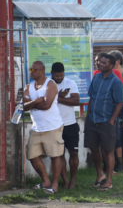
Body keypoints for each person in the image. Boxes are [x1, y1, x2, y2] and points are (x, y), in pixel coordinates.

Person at [23, 61, 64, 194]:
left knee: (55, 155)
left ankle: (55, 185)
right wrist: (36, 101)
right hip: (37, 128)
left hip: (52, 126)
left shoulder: (50, 84)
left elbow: (47, 105)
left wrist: (31, 105)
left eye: (33, 70)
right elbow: (23, 107)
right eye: (30, 69)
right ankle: (45, 181)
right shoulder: (28, 87)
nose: (31, 72)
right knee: (32, 155)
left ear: (41, 71)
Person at [84, 53, 123, 191]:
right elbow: (91, 98)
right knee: (94, 148)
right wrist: (88, 116)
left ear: (112, 66)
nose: (101, 64)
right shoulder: (96, 78)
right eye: (101, 62)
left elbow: (119, 103)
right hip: (92, 120)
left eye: (104, 63)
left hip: (106, 121)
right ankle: (100, 174)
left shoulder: (116, 82)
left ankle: (109, 180)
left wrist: (111, 120)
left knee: (108, 151)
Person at [51, 62, 80, 189]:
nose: (59, 78)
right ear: (52, 73)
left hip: (70, 125)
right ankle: (65, 181)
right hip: (55, 126)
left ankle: (73, 181)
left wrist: (58, 98)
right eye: (56, 76)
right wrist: (60, 97)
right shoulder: (48, 85)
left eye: (61, 75)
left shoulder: (70, 83)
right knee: (59, 155)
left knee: (73, 153)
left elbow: (76, 100)